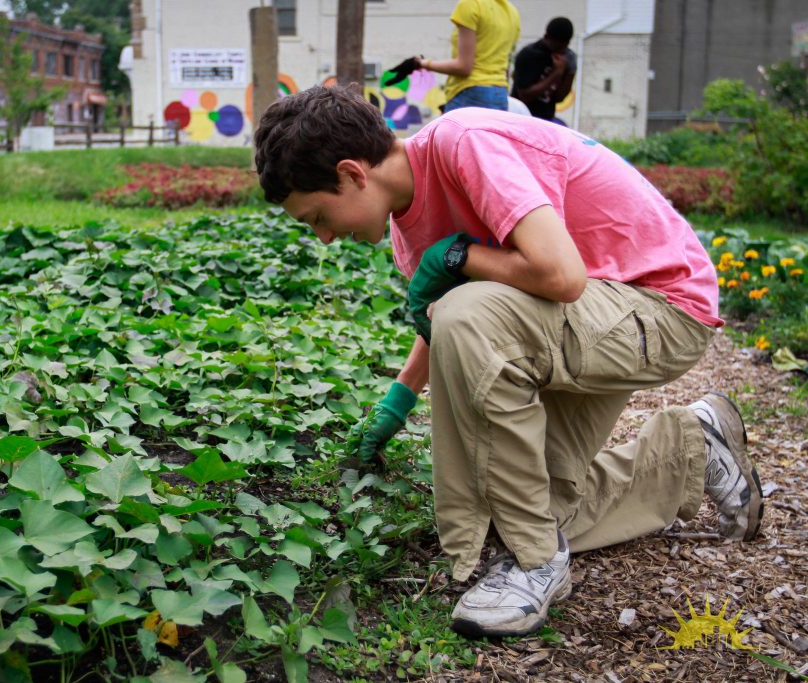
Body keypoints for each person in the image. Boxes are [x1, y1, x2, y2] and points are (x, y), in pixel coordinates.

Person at [253, 85, 765, 638]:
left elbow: (557, 278)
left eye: (316, 217)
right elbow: (456, 324)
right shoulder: (407, 234)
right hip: (582, 323)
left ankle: (536, 562)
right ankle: (693, 445)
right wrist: (398, 399)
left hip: (660, 307)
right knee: (536, 504)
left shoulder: (463, 141)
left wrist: (459, 256)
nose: (325, 237)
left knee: (470, 323)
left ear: (353, 173)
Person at [385, 0, 520, 112]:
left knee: (453, 145)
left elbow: (464, 67)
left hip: (469, 92)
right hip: (500, 93)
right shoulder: (512, 12)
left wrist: (420, 64)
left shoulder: (471, 5)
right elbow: (506, 66)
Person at [511, 17, 577, 124]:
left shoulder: (568, 58)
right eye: (556, 47)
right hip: (521, 117)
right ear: (546, 37)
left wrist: (569, 73)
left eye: (563, 47)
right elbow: (525, 95)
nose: (559, 51)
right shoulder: (529, 54)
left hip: (546, 118)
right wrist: (556, 74)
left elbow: (560, 98)